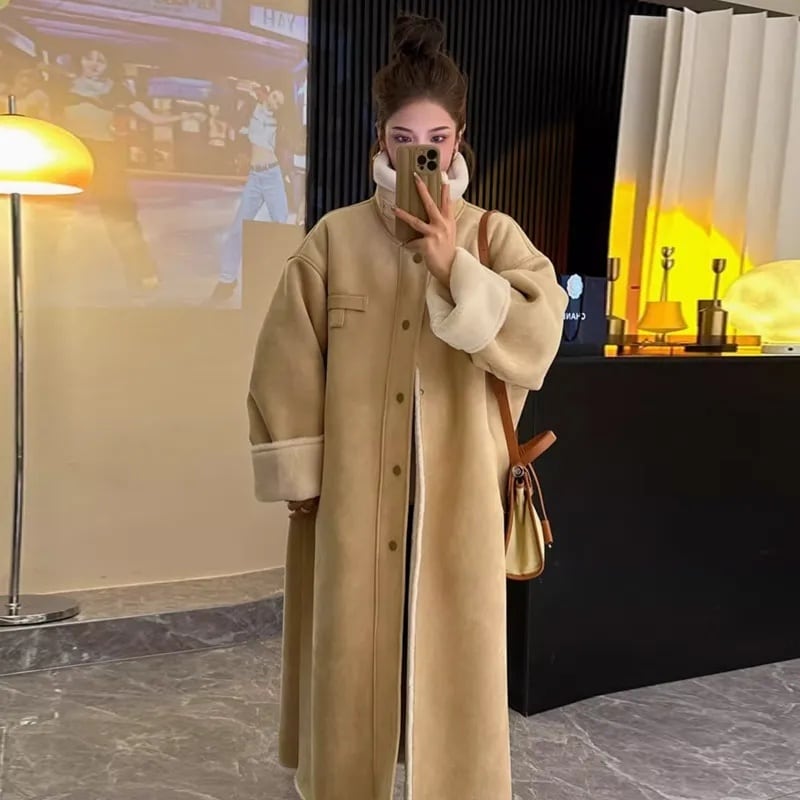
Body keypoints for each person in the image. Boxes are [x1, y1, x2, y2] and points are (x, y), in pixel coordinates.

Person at [246, 15, 567, 800]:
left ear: (458, 142)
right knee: (352, 650)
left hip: (459, 497)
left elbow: (538, 335)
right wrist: (303, 479)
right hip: (354, 495)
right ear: (382, 142)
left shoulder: (494, 237)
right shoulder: (335, 239)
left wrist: (455, 267)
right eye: (403, 136)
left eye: (437, 137)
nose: (421, 151)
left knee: (453, 651)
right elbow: (285, 358)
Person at [44, 48, 186, 293]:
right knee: (53, 216)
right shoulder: (63, 86)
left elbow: (154, 119)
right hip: (71, 154)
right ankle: (39, 273)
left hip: (106, 157)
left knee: (121, 218)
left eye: (101, 60)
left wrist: (183, 117)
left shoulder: (117, 89)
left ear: (108, 65)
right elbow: (48, 120)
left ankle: (143, 275)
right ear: (80, 60)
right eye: (89, 58)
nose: (94, 64)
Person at [209, 84, 290, 302]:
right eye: (275, 97)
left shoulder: (275, 121)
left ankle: (285, 284)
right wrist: (254, 95)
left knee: (282, 226)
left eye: (279, 102)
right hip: (255, 177)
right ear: (268, 92)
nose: (275, 103)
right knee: (237, 229)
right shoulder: (250, 109)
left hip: (272, 176)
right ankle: (227, 280)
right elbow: (236, 113)